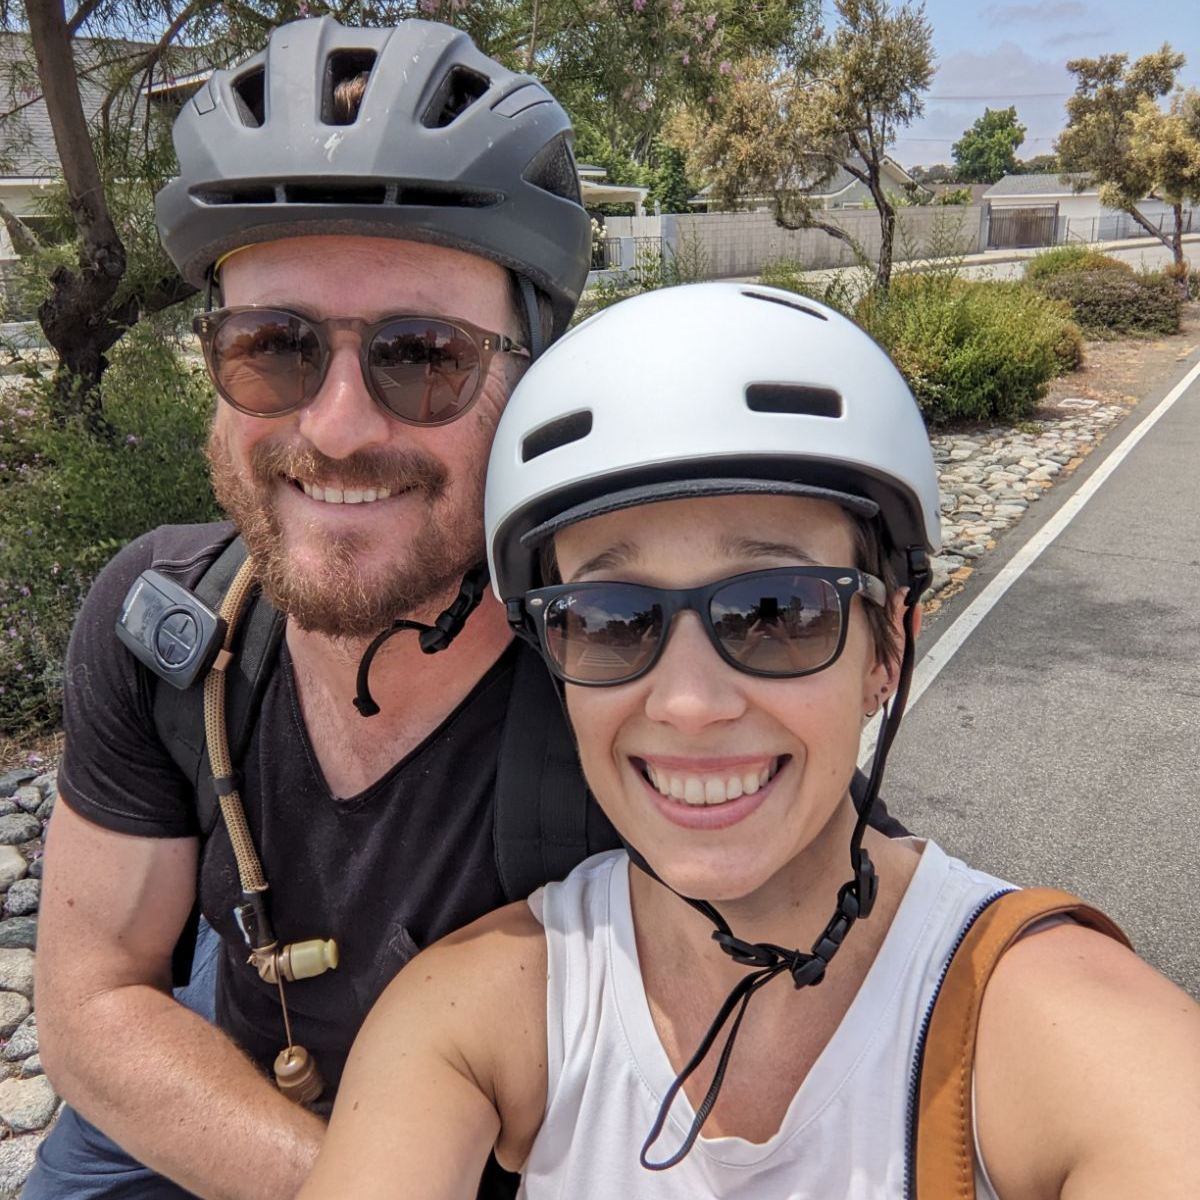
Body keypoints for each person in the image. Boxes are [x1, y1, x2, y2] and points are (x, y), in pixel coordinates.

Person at [30, 21, 904, 1199]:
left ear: (534, 377)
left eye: (422, 355)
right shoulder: (162, 624)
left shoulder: (658, 694)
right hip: (200, 1099)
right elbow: (92, 1005)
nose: (335, 427)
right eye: (273, 348)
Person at [298, 282, 1200, 1200]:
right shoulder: (476, 1014)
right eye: (611, 619)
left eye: (778, 611)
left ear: (891, 645)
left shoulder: (1049, 1021)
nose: (690, 702)